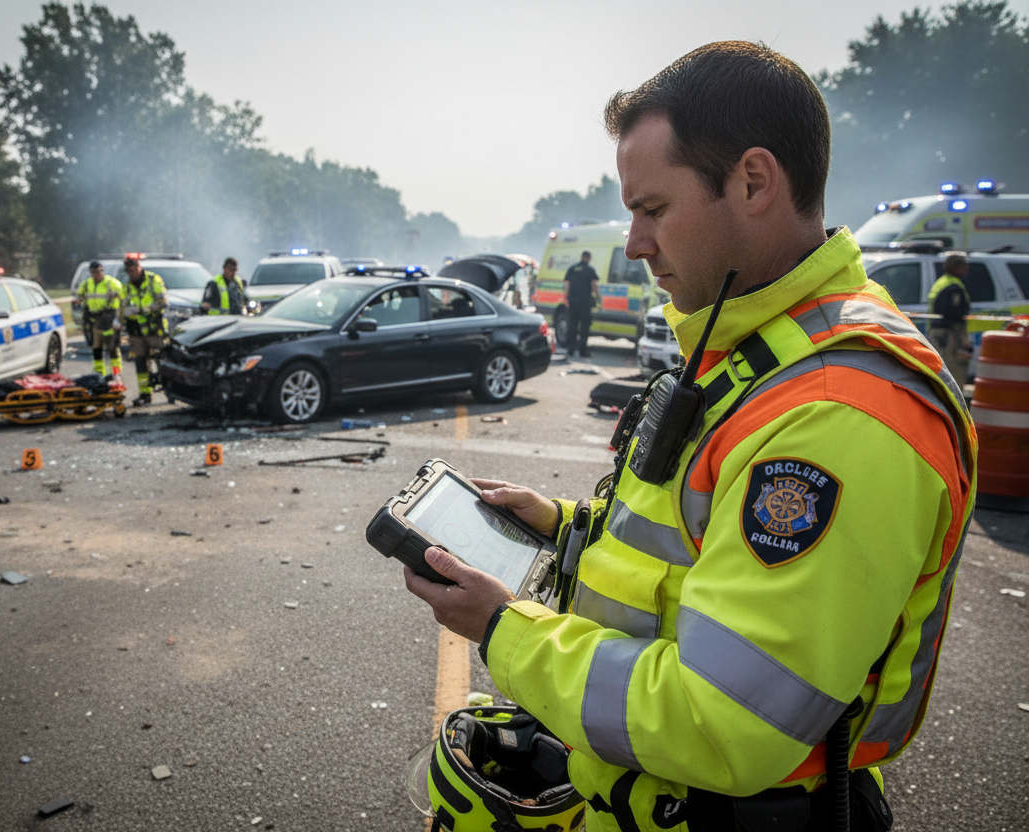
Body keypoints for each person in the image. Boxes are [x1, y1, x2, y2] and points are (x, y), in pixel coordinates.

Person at [405, 41, 976, 832]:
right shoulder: (764, 344)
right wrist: (570, 529)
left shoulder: (838, 412)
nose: (635, 244)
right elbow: (695, 559)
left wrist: (505, 629)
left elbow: (721, 719)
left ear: (752, 182)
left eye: (653, 210)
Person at [121, 257, 168, 406]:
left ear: (139, 267)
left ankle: (170, 391)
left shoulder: (154, 280)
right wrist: (126, 312)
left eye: (134, 269)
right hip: (136, 331)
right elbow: (122, 308)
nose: (131, 273)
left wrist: (147, 309)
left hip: (155, 329)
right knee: (140, 363)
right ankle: (145, 393)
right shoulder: (126, 287)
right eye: (129, 271)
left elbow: (163, 301)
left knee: (162, 360)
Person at [927, 253, 972, 383]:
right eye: (963, 266)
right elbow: (955, 315)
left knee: (940, 369)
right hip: (949, 334)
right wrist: (963, 340)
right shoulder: (953, 287)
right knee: (954, 370)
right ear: (955, 267)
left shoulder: (942, 282)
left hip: (938, 332)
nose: (966, 269)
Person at [76, 260, 123, 377]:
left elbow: (123, 300)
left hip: (109, 319)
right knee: (96, 347)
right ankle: (98, 372)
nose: (96, 274)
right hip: (95, 320)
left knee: (112, 348)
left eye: (98, 271)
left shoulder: (112, 283)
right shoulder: (87, 284)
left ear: (102, 271)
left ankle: (116, 372)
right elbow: (80, 297)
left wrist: (119, 318)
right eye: (93, 272)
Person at [562, 250, 600, 356]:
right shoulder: (589, 270)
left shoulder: (572, 269)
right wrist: (597, 297)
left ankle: (571, 350)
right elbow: (594, 285)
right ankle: (582, 350)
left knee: (572, 325)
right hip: (585, 302)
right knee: (584, 327)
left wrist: (568, 296)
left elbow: (566, 284)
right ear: (588, 258)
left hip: (573, 301)